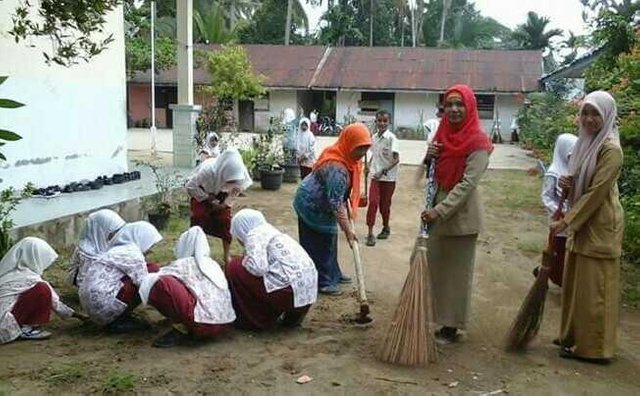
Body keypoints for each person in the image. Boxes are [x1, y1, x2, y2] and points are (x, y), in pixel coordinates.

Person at [550, 91, 624, 364]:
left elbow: (596, 193)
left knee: (596, 289)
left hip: (600, 223)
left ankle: (594, 348)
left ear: (606, 116)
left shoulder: (611, 150)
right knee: (577, 283)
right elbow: (578, 181)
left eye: (596, 114)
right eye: (585, 113)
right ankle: (573, 336)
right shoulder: (586, 143)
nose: (589, 119)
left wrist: (567, 220)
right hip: (584, 222)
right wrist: (566, 186)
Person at [421, 84, 493, 344]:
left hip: (459, 216)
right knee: (430, 266)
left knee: (455, 274)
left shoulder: (479, 143)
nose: (453, 109)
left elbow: (466, 185)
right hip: (436, 213)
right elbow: (428, 175)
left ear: (470, 107)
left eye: (459, 104)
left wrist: (438, 211)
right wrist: (428, 157)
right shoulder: (441, 135)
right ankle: (430, 315)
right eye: (449, 104)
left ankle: (451, 326)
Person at [293, 122, 372, 295]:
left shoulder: (350, 161)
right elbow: (336, 203)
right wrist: (348, 231)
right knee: (318, 243)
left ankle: (333, 273)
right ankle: (322, 281)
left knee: (330, 238)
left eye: (366, 148)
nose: (362, 153)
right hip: (310, 205)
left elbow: (340, 196)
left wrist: (348, 205)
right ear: (348, 143)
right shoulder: (337, 168)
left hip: (326, 203)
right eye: (359, 148)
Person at [139, 226, 236, 347]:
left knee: (159, 283)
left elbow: (152, 278)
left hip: (201, 324)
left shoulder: (184, 263)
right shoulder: (213, 264)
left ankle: (182, 326)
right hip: (224, 323)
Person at [226, 209, 318, 330]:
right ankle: (292, 318)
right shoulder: (273, 232)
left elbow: (258, 269)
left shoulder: (254, 235)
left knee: (234, 267)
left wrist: (243, 261)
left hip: (288, 294)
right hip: (309, 290)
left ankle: (255, 319)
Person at [79, 221, 162, 332]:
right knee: (152, 270)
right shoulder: (132, 254)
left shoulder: (116, 250)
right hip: (105, 306)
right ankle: (118, 320)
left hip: (92, 307)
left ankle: (116, 316)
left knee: (145, 271)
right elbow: (144, 283)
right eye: (150, 244)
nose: (150, 250)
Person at [1, 237, 86, 344]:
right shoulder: (29, 278)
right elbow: (55, 303)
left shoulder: (10, 273)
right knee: (42, 290)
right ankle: (25, 328)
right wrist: (78, 316)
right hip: (3, 325)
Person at [185, 148, 252, 265]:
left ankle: (226, 256)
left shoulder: (239, 174)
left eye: (234, 180)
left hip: (222, 197)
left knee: (225, 221)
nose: (232, 183)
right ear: (223, 172)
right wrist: (207, 198)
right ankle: (196, 253)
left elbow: (235, 191)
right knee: (198, 218)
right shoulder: (207, 171)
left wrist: (224, 205)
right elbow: (190, 187)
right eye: (230, 180)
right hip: (202, 194)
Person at [536, 133, 578, 286]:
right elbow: (546, 197)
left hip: (572, 219)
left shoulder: (573, 173)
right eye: (570, 154)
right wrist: (559, 212)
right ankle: (553, 275)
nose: (572, 158)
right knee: (558, 250)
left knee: (569, 251)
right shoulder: (553, 173)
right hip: (559, 220)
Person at [365, 109, 400, 246]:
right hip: (375, 177)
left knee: (384, 206)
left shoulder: (392, 139)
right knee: (373, 202)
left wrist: (383, 170)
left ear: (389, 122)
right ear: (376, 121)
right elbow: (374, 154)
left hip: (389, 178)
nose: (382, 123)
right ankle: (370, 233)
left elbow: (396, 159)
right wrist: (368, 165)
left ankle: (386, 227)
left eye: (385, 121)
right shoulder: (373, 138)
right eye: (379, 120)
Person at [67, 209, 126, 288]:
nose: (116, 235)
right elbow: (84, 283)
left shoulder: (103, 243)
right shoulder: (88, 252)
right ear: (101, 230)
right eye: (113, 232)